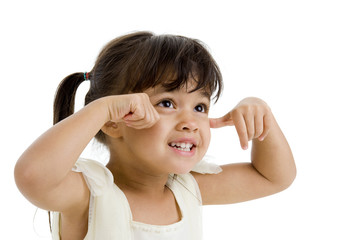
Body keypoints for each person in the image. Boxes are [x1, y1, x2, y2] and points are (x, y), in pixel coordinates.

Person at [14, 31, 296, 240]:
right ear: (114, 121)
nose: (191, 122)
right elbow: (32, 176)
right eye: (167, 103)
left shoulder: (187, 190)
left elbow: (274, 177)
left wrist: (262, 117)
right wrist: (101, 109)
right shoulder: (89, 196)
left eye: (200, 106)